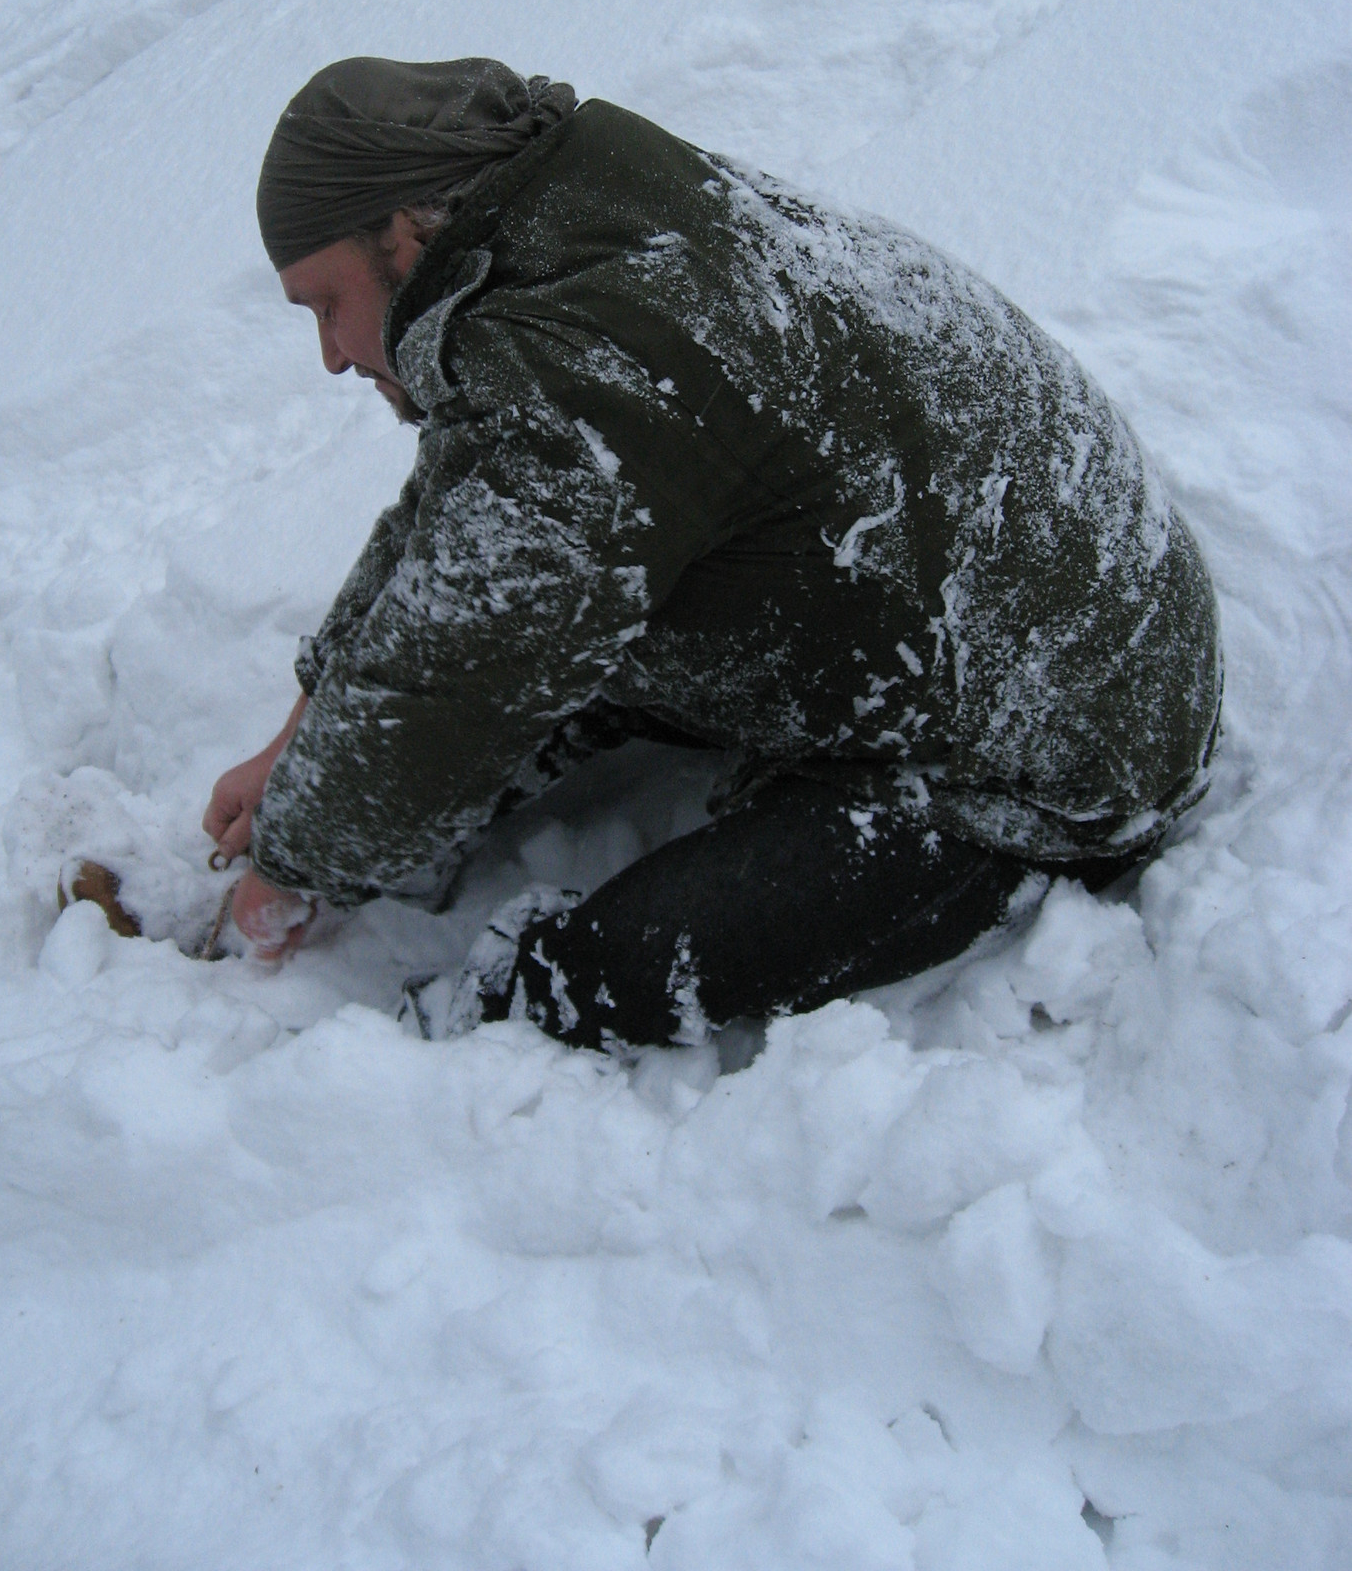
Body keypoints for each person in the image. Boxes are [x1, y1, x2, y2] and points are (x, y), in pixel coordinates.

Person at [203, 57, 1220, 1049]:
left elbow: (461, 678)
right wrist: (304, 730)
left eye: (324, 304)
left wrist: (293, 863)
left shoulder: (585, 354)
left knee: (615, 969)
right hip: (1011, 598)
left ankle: (466, 1036)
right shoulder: (571, 224)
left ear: (400, 232)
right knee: (540, 656)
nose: (330, 354)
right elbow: (457, 526)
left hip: (1066, 735)